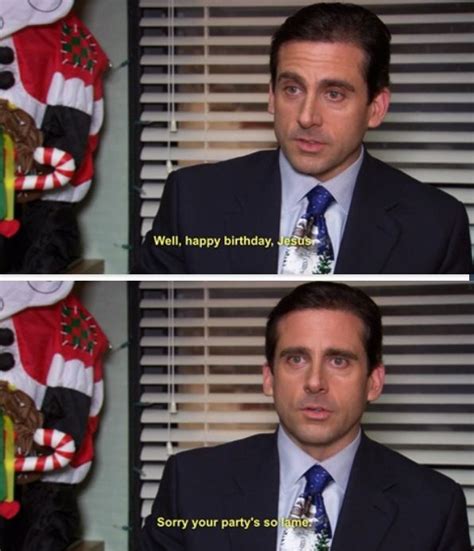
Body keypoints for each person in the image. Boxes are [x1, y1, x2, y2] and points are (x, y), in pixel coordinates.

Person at [136, 2, 471, 275]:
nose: (307, 117)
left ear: (376, 108)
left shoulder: (438, 224)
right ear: (271, 96)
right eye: (292, 89)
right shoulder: (191, 200)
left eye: (335, 94)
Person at [141, 282, 471, 551]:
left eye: (338, 360)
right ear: (269, 378)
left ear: (374, 381)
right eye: (296, 359)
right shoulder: (192, 484)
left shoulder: (434, 506)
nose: (315, 382)